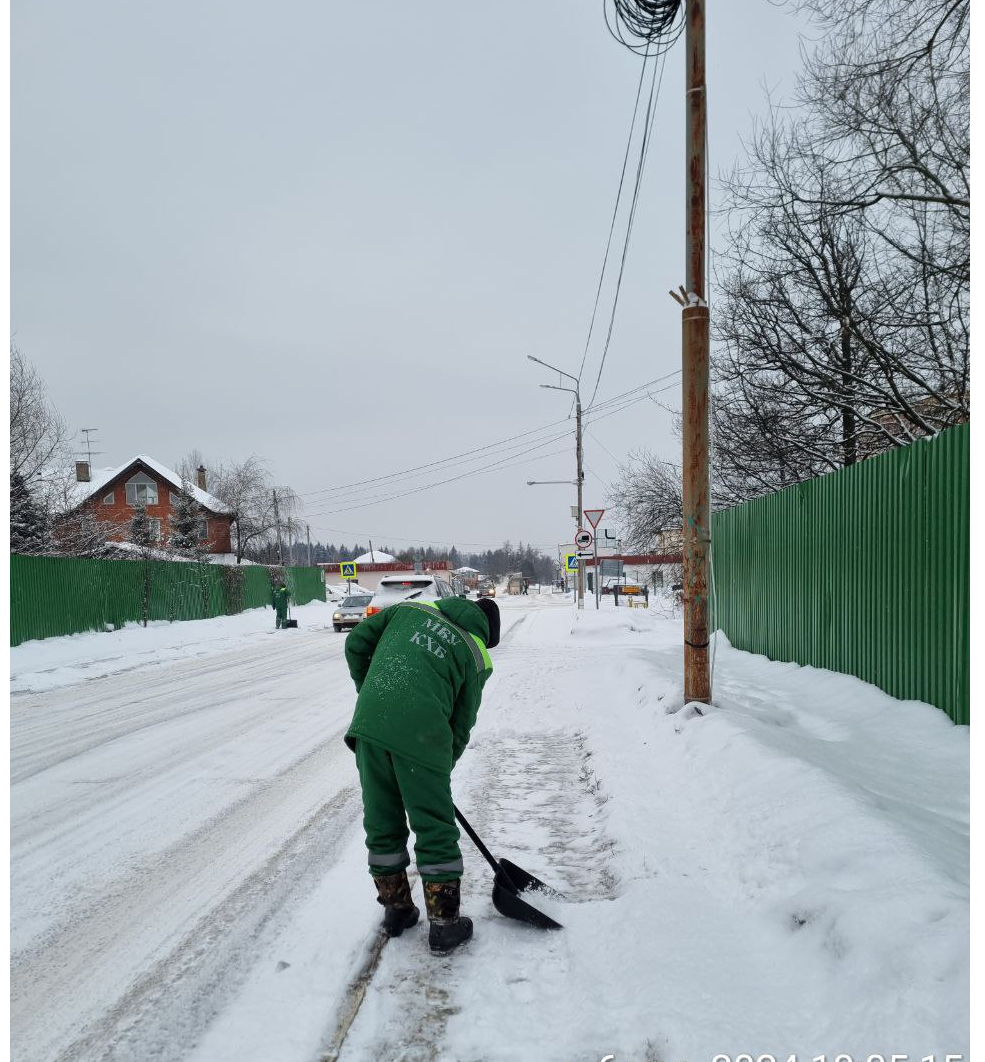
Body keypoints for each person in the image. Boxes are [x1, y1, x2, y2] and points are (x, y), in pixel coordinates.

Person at [344, 593, 500, 955]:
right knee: (433, 824)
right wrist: (438, 770)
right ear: (487, 632)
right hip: (422, 734)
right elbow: (461, 725)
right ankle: (445, 924)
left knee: (382, 819)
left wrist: (372, 691)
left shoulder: (408, 609)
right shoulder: (476, 652)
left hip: (370, 724)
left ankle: (396, 911)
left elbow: (355, 643)